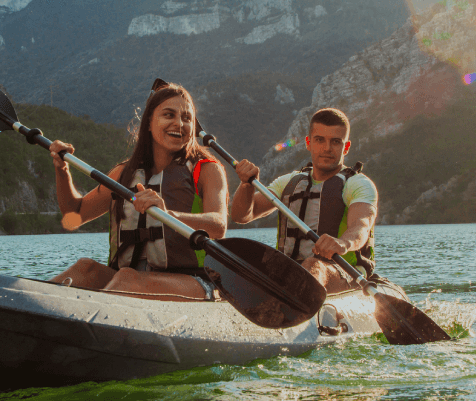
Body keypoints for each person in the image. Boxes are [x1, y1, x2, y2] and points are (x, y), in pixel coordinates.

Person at [47, 82, 227, 302]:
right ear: (149, 123)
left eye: (187, 118)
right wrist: (62, 169)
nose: (179, 123)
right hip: (129, 279)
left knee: (127, 280)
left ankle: (89, 324)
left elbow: (218, 226)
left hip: (196, 282)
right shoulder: (124, 173)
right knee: (85, 269)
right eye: (168, 115)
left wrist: (169, 216)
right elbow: (74, 214)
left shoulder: (207, 169)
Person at [230, 108, 377, 293]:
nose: (327, 148)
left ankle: (298, 309)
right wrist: (246, 185)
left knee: (314, 266)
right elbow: (241, 216)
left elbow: (361, 225)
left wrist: (343, 243)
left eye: (336, 142)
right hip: (292, 273)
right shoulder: (289, 182)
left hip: (344, 275)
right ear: (309, 143)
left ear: (346, 147)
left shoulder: (358, 184)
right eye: (319, 140)